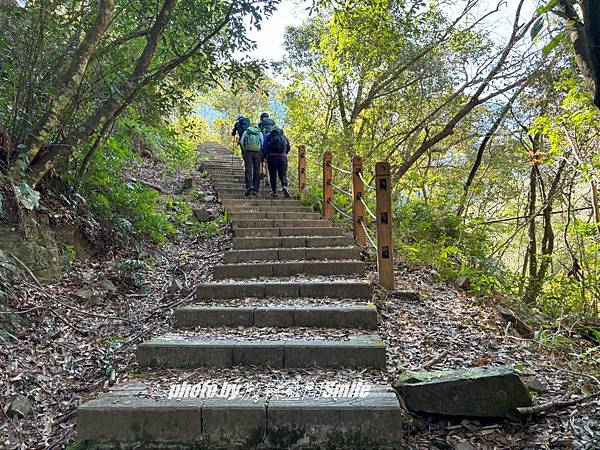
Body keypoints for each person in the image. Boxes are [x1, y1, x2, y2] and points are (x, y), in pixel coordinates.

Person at [262, 126, 291, 198]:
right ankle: (284, 186)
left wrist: (265, 156)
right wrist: (284, 153)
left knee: (273, 175)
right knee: (283, 174)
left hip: (272, 157)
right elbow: (288, 147)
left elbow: (264, 147)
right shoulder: (283, 136)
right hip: (283, 157)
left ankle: (274, 191)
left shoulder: (269, 136)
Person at [239, 125, 263, 196]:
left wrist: (244, 150)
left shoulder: (246, 132)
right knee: (256, 170)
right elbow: (262, 143)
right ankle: (256, 189)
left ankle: (249, 186)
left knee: (248, 169)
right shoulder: (259, 133)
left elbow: (242, 142)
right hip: (257, 152)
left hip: (248, 151)